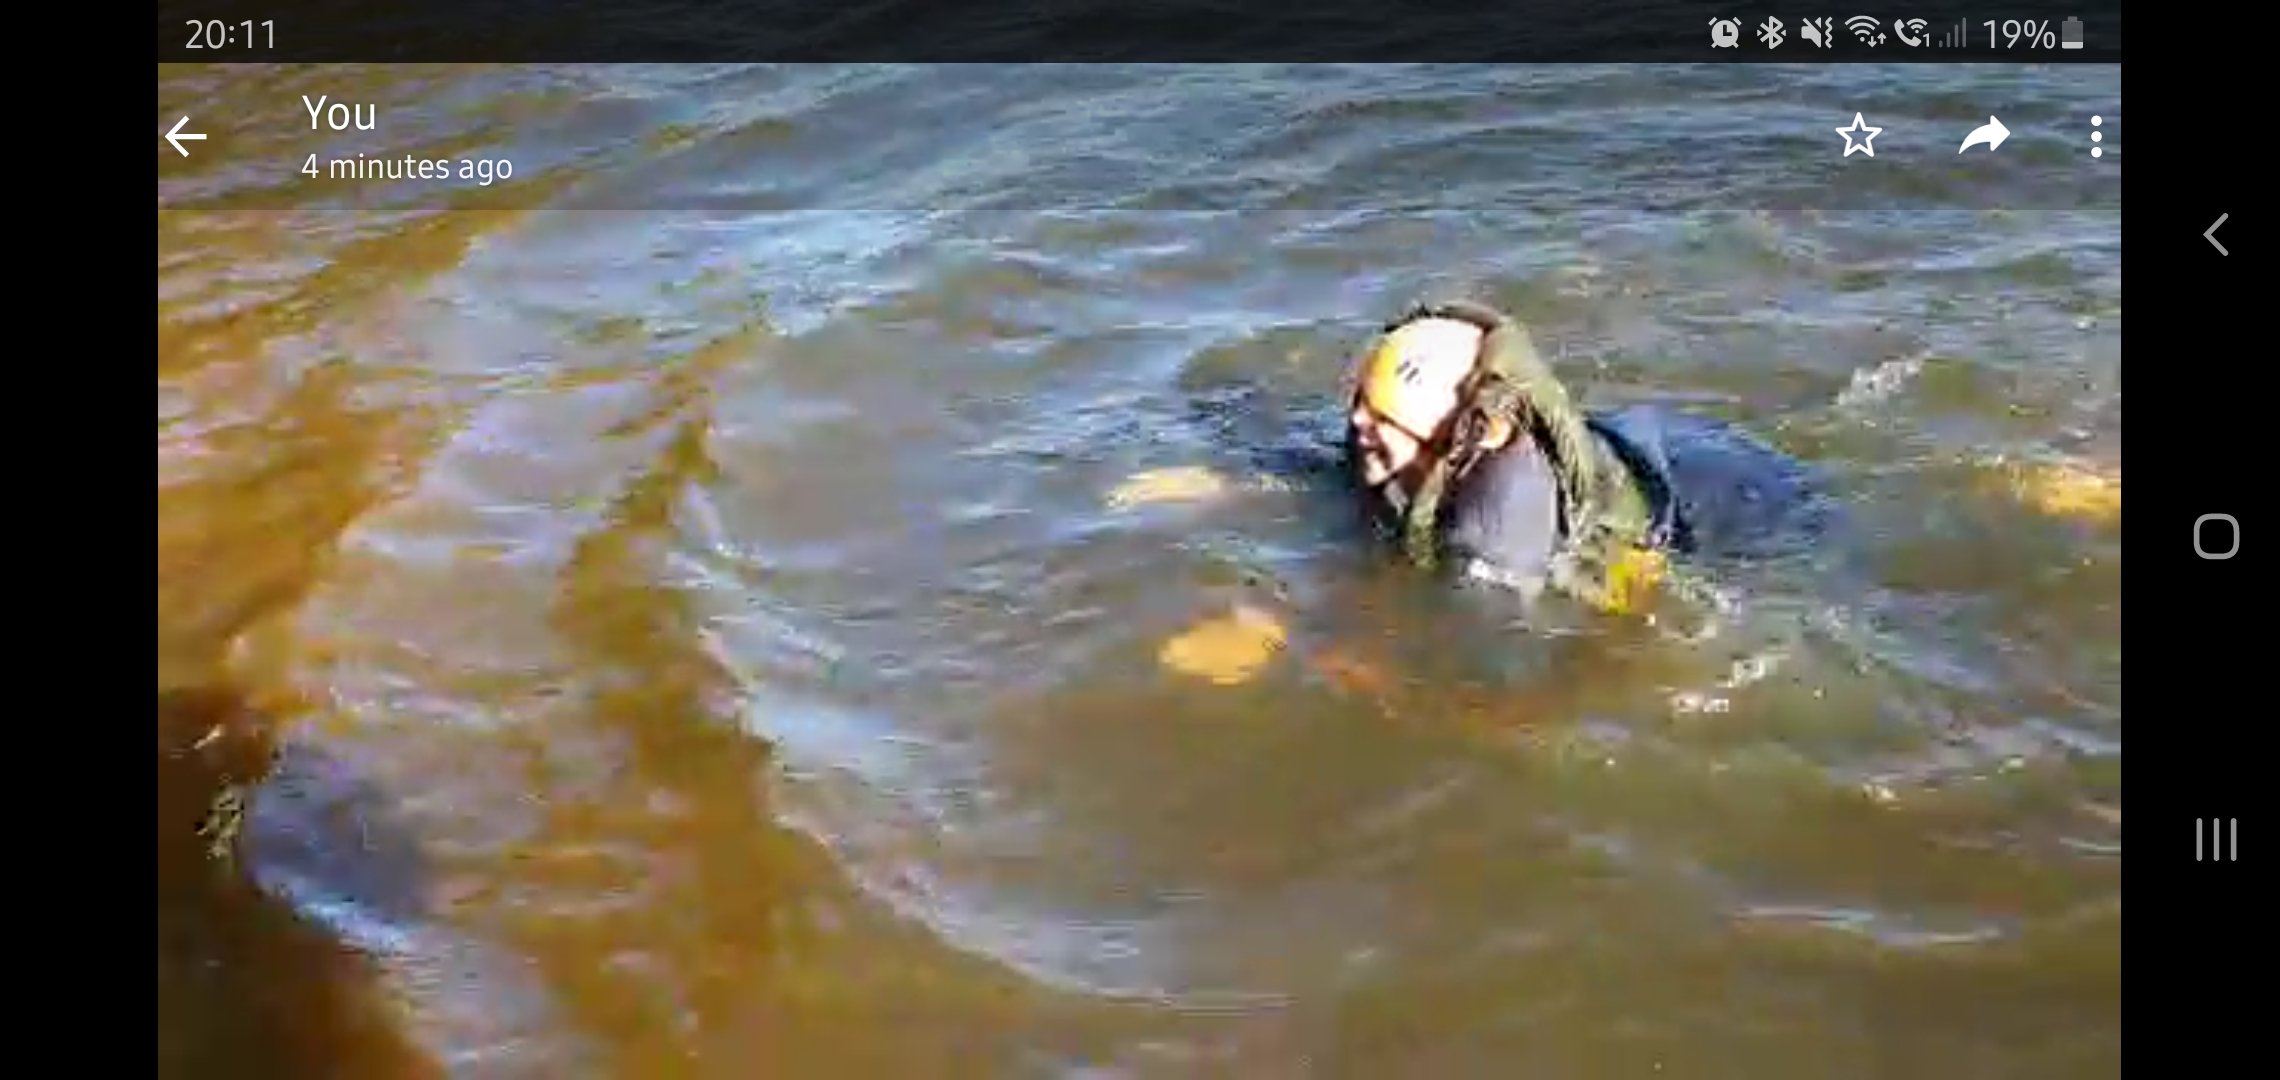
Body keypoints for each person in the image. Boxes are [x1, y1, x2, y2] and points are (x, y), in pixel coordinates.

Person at [1344, 298, 1827, 616]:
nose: (1362, 424)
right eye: (1360, 406)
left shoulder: (1502, 516)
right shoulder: (1391, 448)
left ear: (1474, 434)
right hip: (1648, 440)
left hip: (1738, 495)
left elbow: (1495, 659)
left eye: (1384, 419)